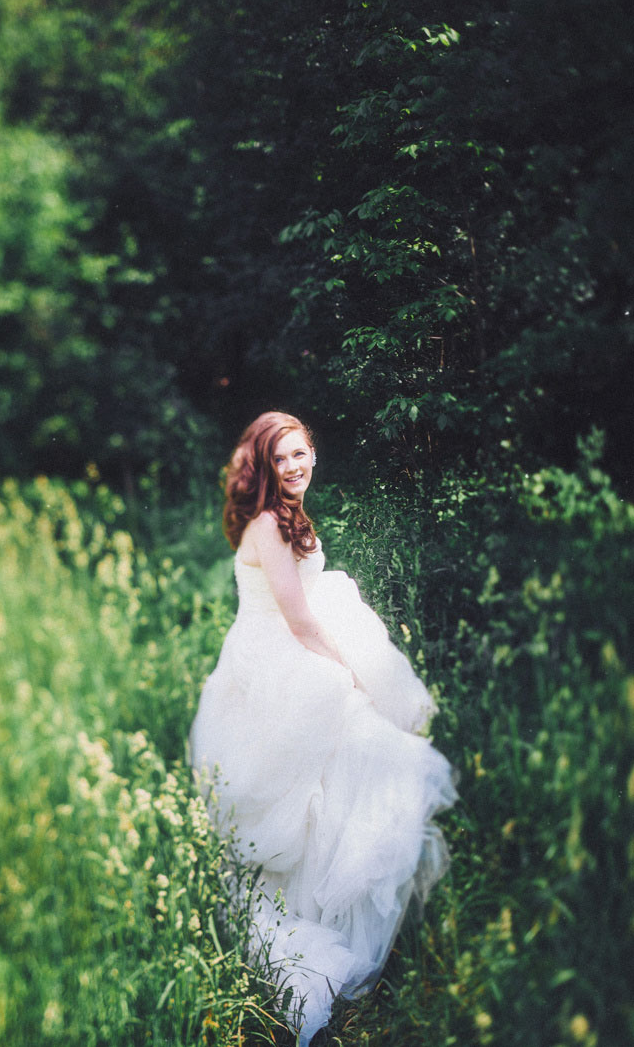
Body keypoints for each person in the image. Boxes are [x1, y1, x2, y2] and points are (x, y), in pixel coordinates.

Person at [190, 411, 458, 1045]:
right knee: (351, 755)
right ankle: (318, 928)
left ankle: (327, 905)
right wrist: (355, 675)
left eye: (300, 453)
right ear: (263, 464)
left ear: (314, 453)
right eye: (280, 459)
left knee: (337, 779)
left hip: (280, 651)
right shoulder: (267, 525)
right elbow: (300, 622)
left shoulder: (284, 514)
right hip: (281, 663)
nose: (293, 467)